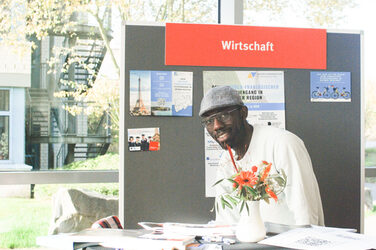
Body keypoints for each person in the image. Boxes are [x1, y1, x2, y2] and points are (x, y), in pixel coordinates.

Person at [199, 86, 324, 226]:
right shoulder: (225, 161)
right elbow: (226, 221)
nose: (216, 126)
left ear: (243, 113)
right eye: (209, 121)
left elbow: (304, 211)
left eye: (224, 115)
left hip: (289, 244)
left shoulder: (282, 143)